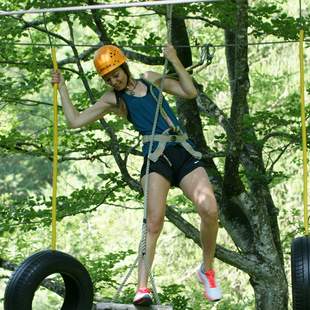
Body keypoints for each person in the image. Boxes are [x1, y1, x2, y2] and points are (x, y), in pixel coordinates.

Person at [52, 44, 222, 305]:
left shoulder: (151, 78)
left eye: (116, 74)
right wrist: (61, 87)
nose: (113, 80)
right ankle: (142, 288)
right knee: (154, 222)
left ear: (124, 66)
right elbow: (75, 121)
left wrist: (174, 59)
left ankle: (207, 270)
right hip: (156, 157)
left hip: (182, 151)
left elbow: (190, 92)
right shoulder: (114, 99)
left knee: (209, 209)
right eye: (108, 78)